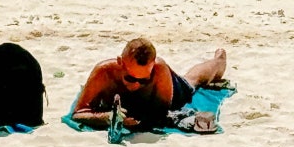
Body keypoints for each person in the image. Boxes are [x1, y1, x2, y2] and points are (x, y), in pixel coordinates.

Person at [71, 37, 227, 131]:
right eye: (130, 78)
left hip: (167, 92)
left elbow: (162, 112)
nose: (136, 85)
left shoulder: (159, 69)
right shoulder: (104, 72)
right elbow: (78, 113)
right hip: (129, 105)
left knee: (194, 80)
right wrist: (109, 117)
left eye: (143, 80)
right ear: (120, 63)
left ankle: (219, 61)